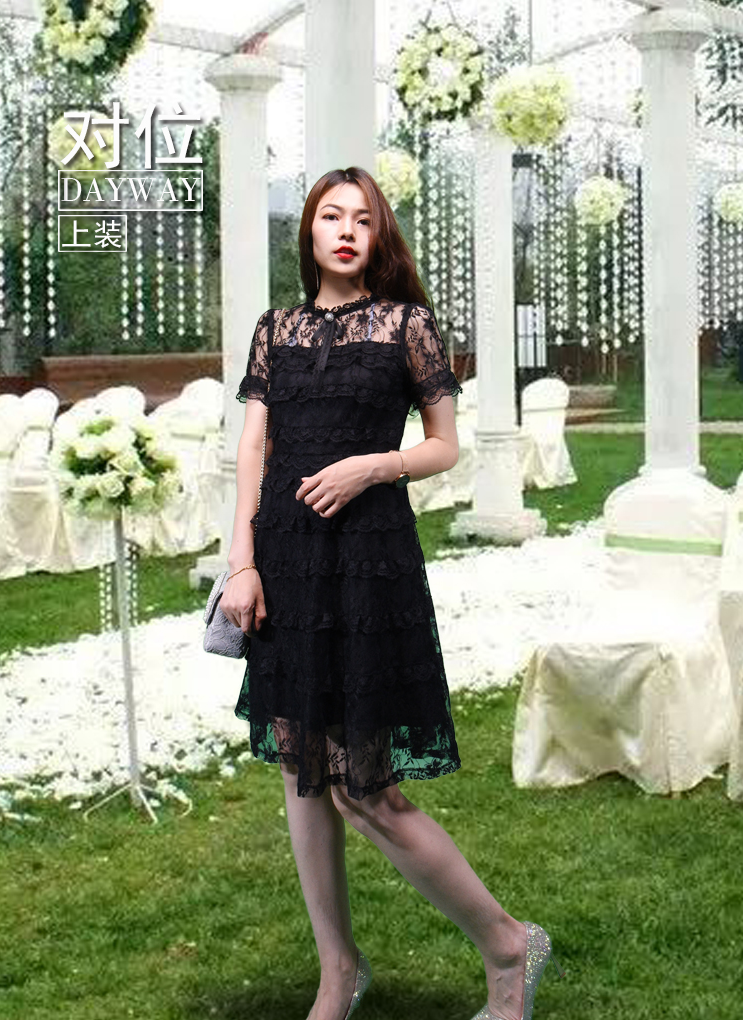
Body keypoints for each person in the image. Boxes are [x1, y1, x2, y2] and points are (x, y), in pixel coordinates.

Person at [219, 167, 562, 1020]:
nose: (345, 231)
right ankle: (338, 972)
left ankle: (509, 945)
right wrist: (242, 562)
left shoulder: (407, 325)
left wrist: (375, 465)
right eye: (330, 216)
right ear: (308, 232)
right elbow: (254, 452)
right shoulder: (275, 330)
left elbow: (446, 445)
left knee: (364, 788)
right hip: (286, 563)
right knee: (301, 771)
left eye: (362, 220)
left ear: (379, 237)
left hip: (369, 564)